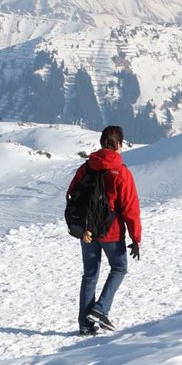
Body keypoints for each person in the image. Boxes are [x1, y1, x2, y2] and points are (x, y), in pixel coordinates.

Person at [68, 126, 142, 336]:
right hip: (111, 232)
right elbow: (130, 208)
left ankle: (85, 324)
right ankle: (101, 309)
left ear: (101, 143)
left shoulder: (86, 167)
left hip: (88, 232)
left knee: (90, 274)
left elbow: (72, 194)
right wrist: (136, 237)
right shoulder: (121, 172)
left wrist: (81, 226)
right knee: (119, 268)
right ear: (118, 144)